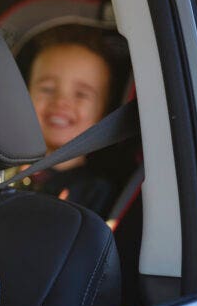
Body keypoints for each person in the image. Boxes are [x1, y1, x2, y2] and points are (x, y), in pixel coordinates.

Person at [23, 24, 131, 217]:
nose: (61, 102)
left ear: (103, 114)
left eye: (81, 94)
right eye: (47, 89)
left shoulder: (95, 192)